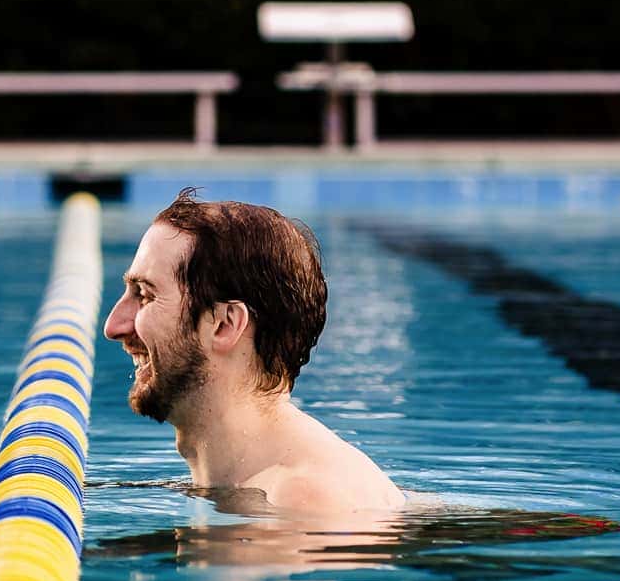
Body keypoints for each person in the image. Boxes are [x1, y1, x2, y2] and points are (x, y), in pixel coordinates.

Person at [102, 188, 407, 519]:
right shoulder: (251, 486)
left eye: (145, 295)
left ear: (225, 325)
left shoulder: (301, 501)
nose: (114, 326)